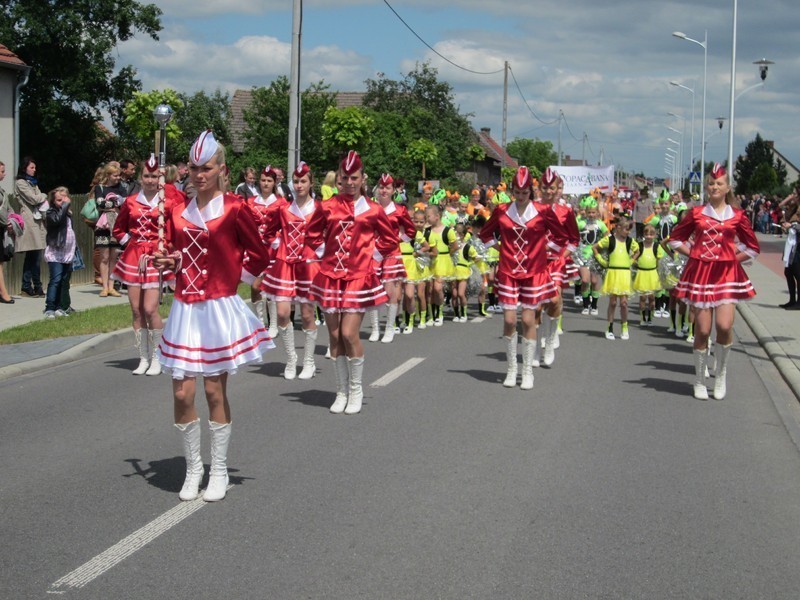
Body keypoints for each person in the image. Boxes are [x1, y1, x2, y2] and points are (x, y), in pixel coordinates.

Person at [154, 130, 274, 502]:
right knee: (181, 391)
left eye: (206, 168)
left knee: (213, 389)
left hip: (218, 308)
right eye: (193, 168)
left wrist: (237, 278)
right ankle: (193, 469)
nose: (198, 174)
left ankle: (218, 469)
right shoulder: (176, 212)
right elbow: (177, 256)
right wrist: (168, 263)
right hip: (186, 309)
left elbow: (260, 253)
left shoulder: (236, 208)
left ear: (222, 169)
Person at [304, 151, 399, 415]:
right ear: (338, 178)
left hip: (358, 277)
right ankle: (341, 390)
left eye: (354, 177)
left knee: (348, 333)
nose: (349, 182)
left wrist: (371, 257)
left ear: (363, 178)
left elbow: (390, 241)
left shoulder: (373, 209)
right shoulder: (327, 206)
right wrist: (325, 255)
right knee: (334, 336)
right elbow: (311, 235)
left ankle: (356, 389)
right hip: (331, 278)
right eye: (344, 177)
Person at [668, 163, 760, 400]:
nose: (715, 186)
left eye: (719, 183)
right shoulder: (697, 213)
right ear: (706, 187)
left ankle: (721, 374)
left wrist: (731, 259)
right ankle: (699, 380)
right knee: (703, 329)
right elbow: (675, 239)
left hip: (727, 275)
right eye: (711, 183)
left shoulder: (737, 216)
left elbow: (752, 247)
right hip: (700, 274)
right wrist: (694, 254)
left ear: (728, 187)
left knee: (725, 326)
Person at [478, 166, 570, 390]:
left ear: (530, 191)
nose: (520, 197)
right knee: (509, 320)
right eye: (517, 193)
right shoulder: (501, 210)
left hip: (533, 272)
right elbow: (485, 233)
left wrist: (544, 251)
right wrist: (500, 249)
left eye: (525, 193)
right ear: (512, 191)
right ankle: (511, 369)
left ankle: (527, 370)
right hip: (508, 271)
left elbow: (562, 235)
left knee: (529, 320)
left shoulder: (542, 211)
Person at [112, 155, 181, 375]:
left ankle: (157, 357)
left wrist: (166, 247)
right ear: (141, 177)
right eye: (146, 176)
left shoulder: (168, 203)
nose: (150, 180)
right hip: (134, 259)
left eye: (154, 176)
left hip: (156, 259)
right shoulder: (131, 201)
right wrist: (130, 243)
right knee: (136, 309)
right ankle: (143, 358)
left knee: (151, 309)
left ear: (160, 178)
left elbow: (176, 231)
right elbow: (118, 229)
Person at [260, 161, 321, 380]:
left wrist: (319, 252)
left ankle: (309, 361)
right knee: (283, 313)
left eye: (303, 181)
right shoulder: (283, 208)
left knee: (306, 315)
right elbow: (269, 232)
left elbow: (326, 235)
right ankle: (291, 358)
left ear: (311, 182)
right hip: (285, 264)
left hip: (308, 266)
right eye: (295, 181)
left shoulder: (319, 208)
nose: (299, 185)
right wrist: (278, 244)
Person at [372, 173, 415, 343]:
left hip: (391, 253)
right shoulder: (371, 207)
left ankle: (389, 328)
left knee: (391, 292)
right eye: (381, 187)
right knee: (373, 290)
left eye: (387, 187)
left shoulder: (399, 210)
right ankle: (375, 329)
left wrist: (397, 240)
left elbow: (411, 232)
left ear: (393, 190)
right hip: (374, 252)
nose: (384, 190)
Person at [593, 215, 640, 340]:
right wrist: (602, 261)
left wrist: (631, 261)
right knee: (613, 302)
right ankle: (609, 327)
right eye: (625, 229)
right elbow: (595, 248)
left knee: (624, 303)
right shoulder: (610, 240)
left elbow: (637, 251)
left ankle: (624, 326)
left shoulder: (630, 241)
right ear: (618, 228)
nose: (628, 231)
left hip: (624, 274)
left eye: (629, 229)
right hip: (613, 273)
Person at [14, 157, 48, 297]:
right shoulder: (21, 183)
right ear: (24, 168)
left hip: (38, 220)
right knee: (33, 254)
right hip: (29, 220)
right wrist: (44, 195)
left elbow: (37, 197)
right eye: (31, 167)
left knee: (35, 255)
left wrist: (40, 196)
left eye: (35, 167)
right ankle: (29, 286)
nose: (34, 170)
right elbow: (34, 199)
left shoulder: (33, 183)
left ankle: (33, 286)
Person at [43, 187, 76, 319]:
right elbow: (56, 220)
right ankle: (49, 308)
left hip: (67, 252)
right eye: (59, 200)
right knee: (55, 280)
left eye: (64, 199)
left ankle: (58, 307)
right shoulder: (51, 212)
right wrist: (65, 205)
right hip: (55, 252)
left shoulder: (67, 214)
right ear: (53, 201)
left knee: (63, 280)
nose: (62, 202)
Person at [94, 163, 126, 297]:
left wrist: (113, 204)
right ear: (108, 175)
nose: (118, 178)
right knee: (104, 257)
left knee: (114, 256)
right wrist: (116, 203)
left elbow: (126, 202)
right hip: (102, 226)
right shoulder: (100, 187)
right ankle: (104, 287)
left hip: (117, 226)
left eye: (119, 175)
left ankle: (112, 286)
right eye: (115, 175)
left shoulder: (122, 187)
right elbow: (100, 203)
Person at [633, 224, 664, 326]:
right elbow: (633, 257)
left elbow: (659, 261)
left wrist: (660, 274)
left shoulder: (657, 246)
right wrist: (635, 264)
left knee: (651, 297)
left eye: (651, 234)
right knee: (642, 297)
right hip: (642, 273)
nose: (649, 236)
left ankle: (650, 317)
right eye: (647, 234)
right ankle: (642, 317)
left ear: (655, 235)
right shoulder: (639, 245)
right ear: (643, 234)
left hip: (652, 273)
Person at [778, 187, 800, 309]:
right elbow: (780, 207)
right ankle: (792, 300)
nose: (792, 196)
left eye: (794, 194)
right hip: (792, 244)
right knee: (788, 272)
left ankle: (799, 302)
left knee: (797, 273)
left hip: (798, 245)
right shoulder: (794, 208)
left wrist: (792, 226)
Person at [0, 161, 16, 303]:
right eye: (2, 171)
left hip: (1, 228)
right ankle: (3, 292)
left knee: (1, 261)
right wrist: (7, 222)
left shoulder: (2, 191)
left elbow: (8, 208)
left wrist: (13, 219)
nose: (4, 174)